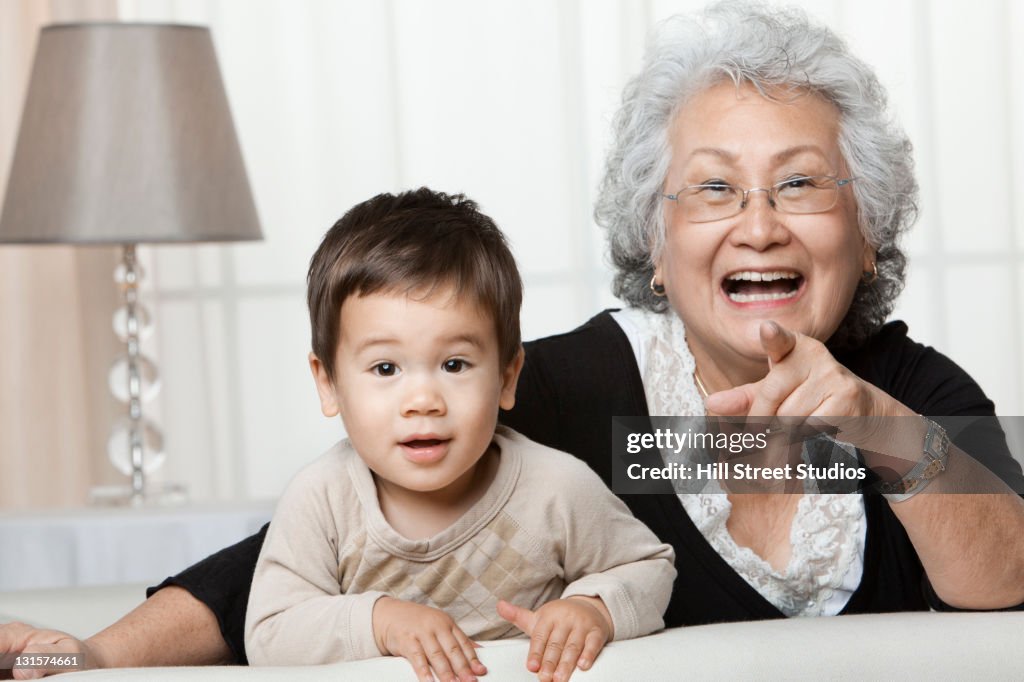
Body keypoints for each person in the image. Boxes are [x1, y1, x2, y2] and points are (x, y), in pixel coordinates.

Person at [3, 1, 1024, 678]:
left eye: (799, 183)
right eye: (712, 187)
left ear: (864, 225)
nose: (757, 222)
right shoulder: (586, 392)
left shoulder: (907, 386)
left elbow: (1005, 579)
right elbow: (298, 552)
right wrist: (96, 657)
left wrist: (873, 425)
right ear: (655, 243)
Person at [241, 188, 675, 682]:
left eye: (454, 364)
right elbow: (270, 634)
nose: (423, 399)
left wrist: (593, 608)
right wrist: (382, 621)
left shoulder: (557, 489)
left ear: (507, 377)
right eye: (385, 368)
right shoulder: (322, 499)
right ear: (328, 382)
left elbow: (650, 568)